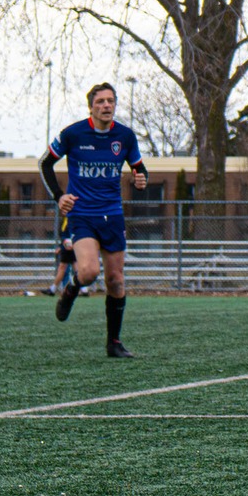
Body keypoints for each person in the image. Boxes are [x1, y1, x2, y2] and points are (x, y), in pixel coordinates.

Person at [40, 82, 149, 357]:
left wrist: (141, 178)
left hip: (112, 215)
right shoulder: (73, 133)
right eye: (100, 101)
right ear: (91, 106)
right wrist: (58, 196)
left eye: (110, 101)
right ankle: (71, 289)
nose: (106, 106)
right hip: (82, 214)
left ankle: (114, 343)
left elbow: (139, 168)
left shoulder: (125, 136)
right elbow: (45, 163)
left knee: (115, 280)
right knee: (88, 272)